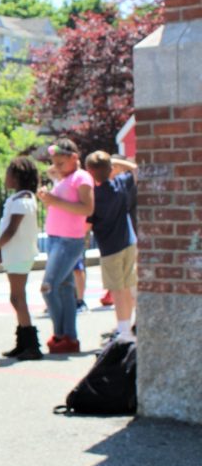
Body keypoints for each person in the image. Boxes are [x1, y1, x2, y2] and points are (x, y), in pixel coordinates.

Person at [38, 138, 94, 354]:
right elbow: (54, 176)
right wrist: (51, 193)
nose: (57, 167)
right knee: (65, 289)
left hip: (68, 240)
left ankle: (60, 334)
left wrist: (54, 201)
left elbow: (87, 208)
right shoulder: (66, 178)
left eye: (61, 163)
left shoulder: (81, 177)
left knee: (48, 287)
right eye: (55, 163)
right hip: (56, 238)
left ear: (74, 158)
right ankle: (69, 337)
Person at [0, 157, 42, 360]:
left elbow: (11, 230)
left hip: (20, 253)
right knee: (16, 297)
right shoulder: (21, 198)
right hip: (16, 253)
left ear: (17, 177)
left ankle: (30, 343)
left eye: (8, 173)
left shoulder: (23, 200)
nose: (6, 177)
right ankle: (23, 341)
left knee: (18, 298)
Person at [85, 151, 138, 343]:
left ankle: (123, 331)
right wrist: (113, 161)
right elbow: (136, 170)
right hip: (129, 242)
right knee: (128, 286)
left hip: (109, 248)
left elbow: (87, 224)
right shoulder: (120, 184)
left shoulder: (95, 196)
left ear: (90, 171)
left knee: (118, 290)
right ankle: (128, 326)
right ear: (111, 169)